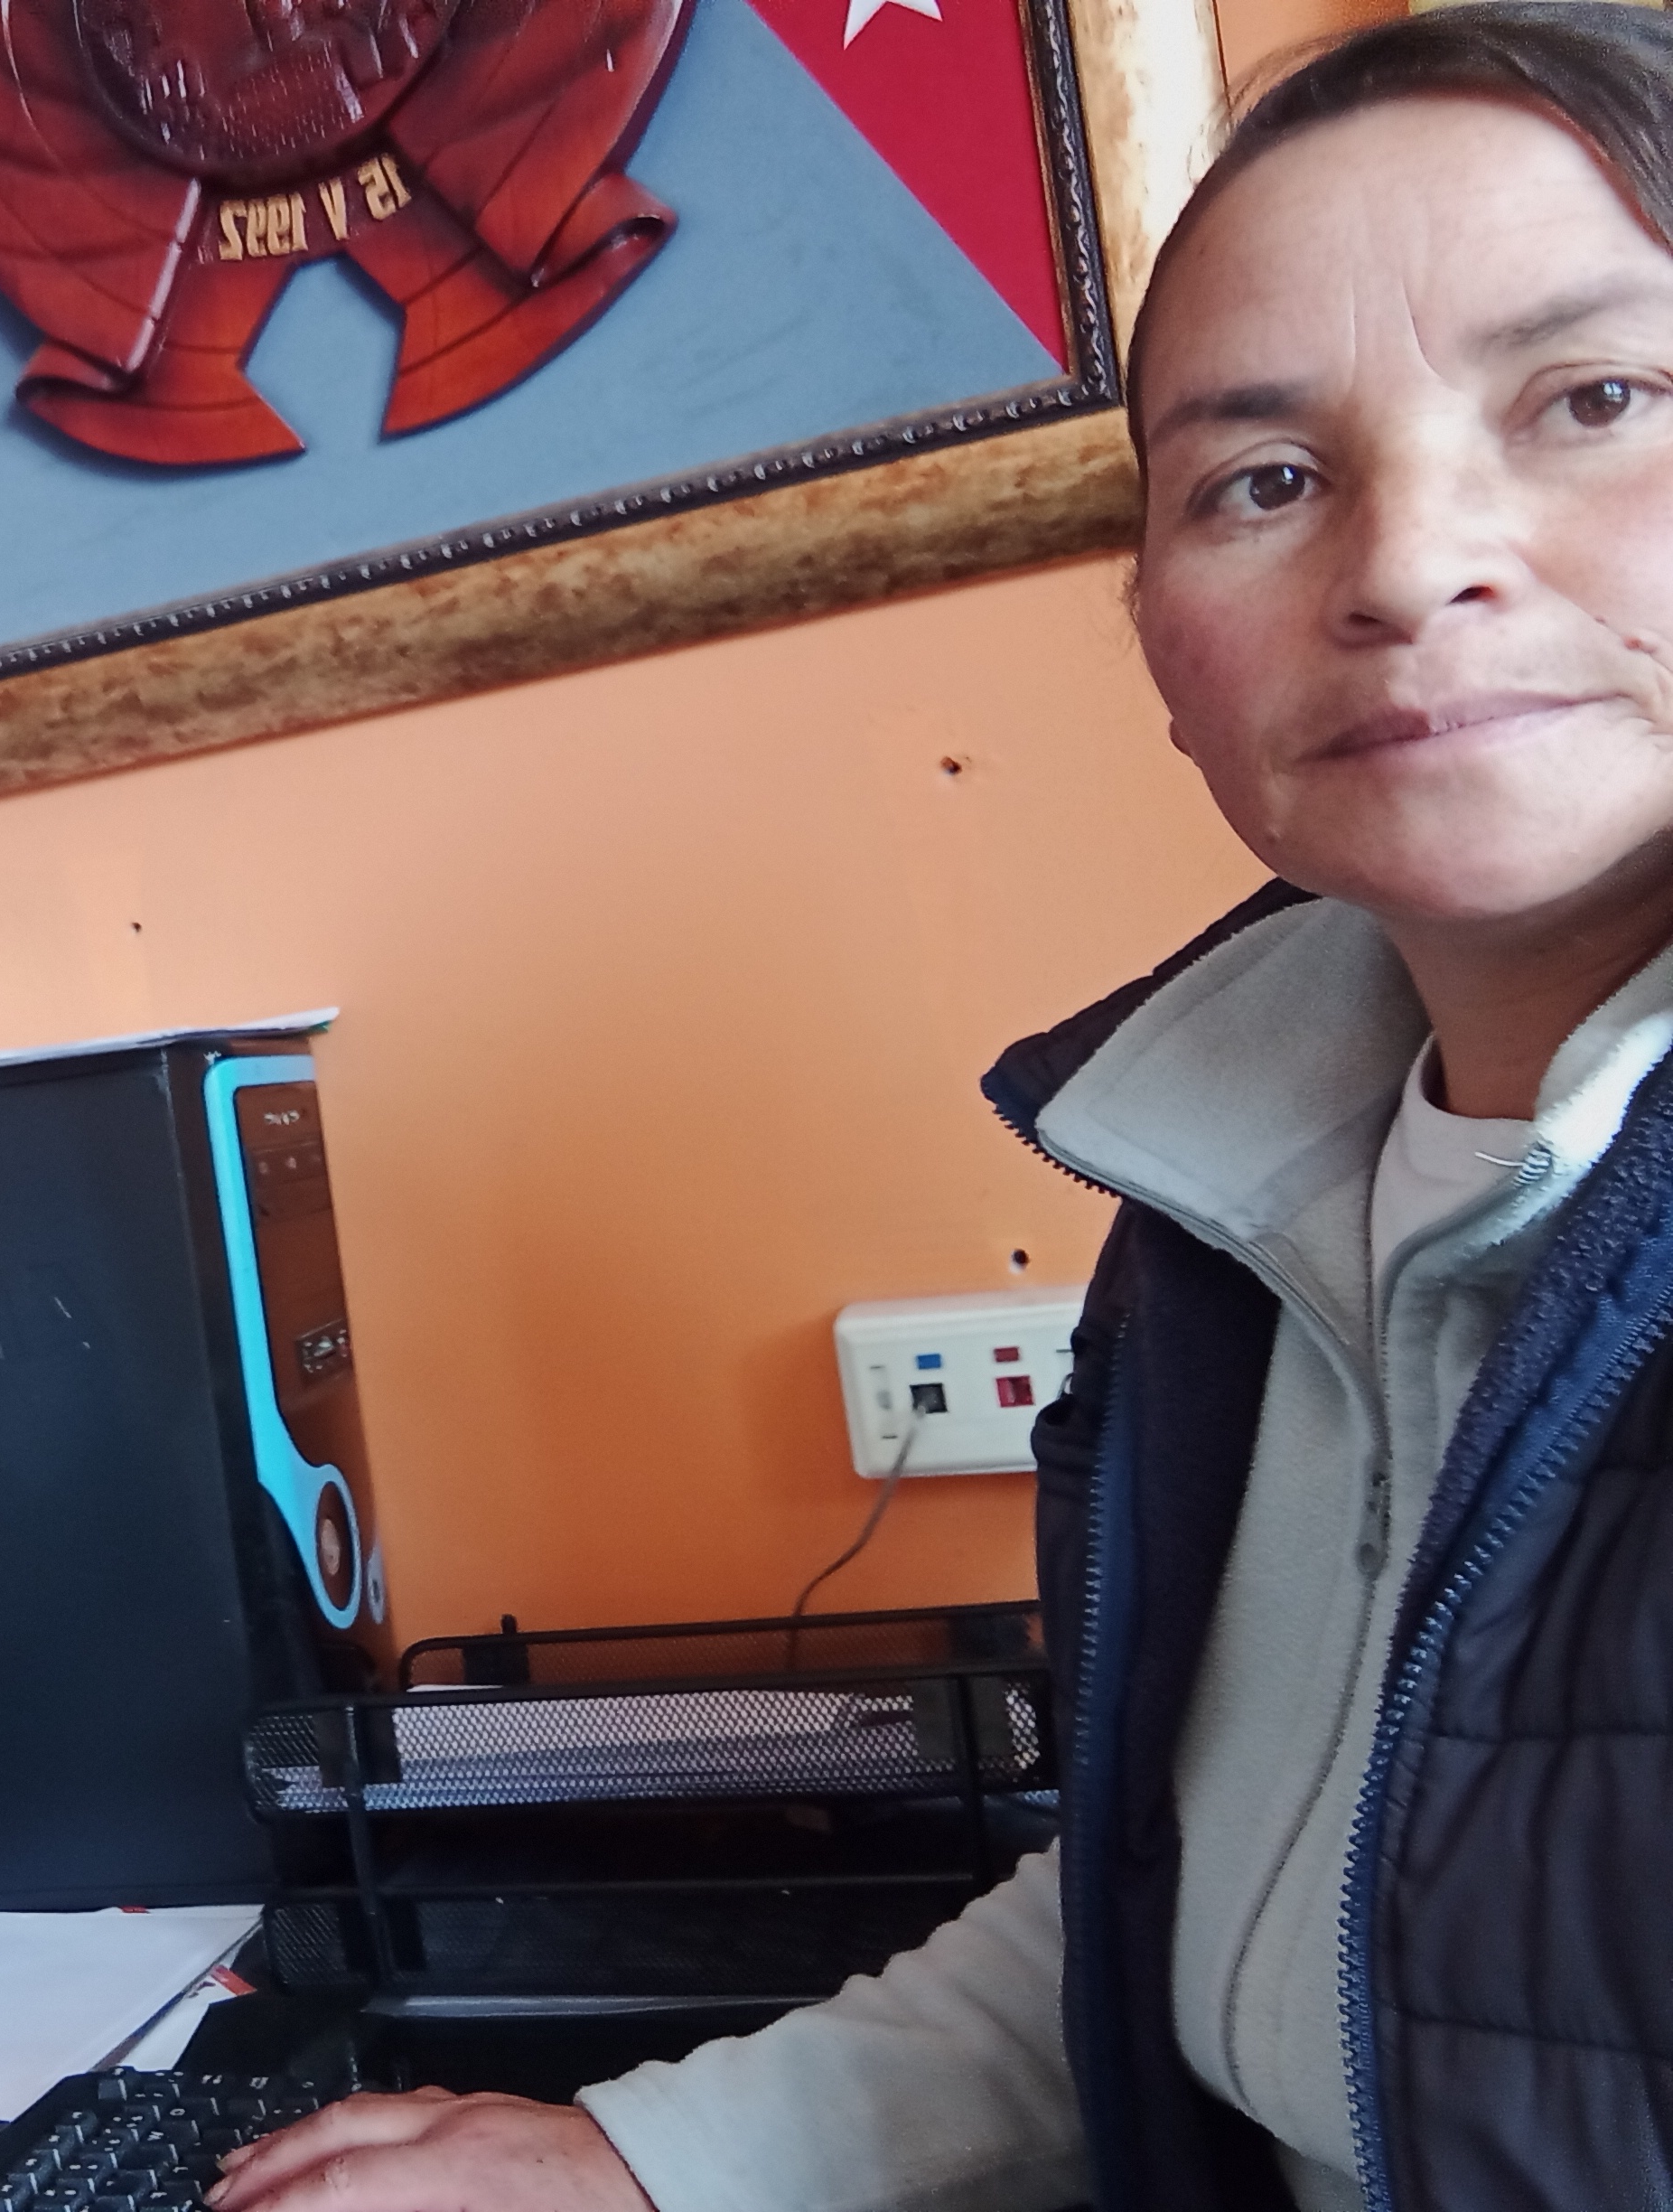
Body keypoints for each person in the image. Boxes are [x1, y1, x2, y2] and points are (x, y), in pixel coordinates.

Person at [208, 8, 1673, 2207]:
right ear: (1159, 636)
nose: (1403, 563)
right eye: (1264, 481)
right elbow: (1196, 1907)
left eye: (1594, 399)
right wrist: (641, 2165)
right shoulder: (1232, 1208)